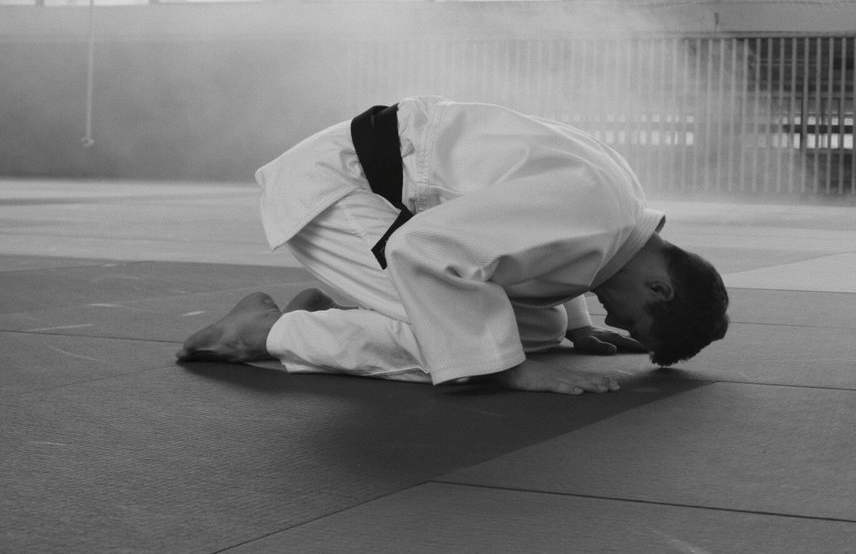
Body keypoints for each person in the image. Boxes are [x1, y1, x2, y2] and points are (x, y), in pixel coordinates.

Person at [178, 96, 729, 395]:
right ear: (660, 286)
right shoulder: (593, 213)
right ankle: (268, 332)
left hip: (369, 190)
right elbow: (421, 249)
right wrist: (509, 372)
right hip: (335, 192)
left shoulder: (615, 202)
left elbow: (527, 243)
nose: (619, 317)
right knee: (462, 350)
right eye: (636, 320)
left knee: (538, 329)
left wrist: (578, 324)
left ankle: (332, 317)